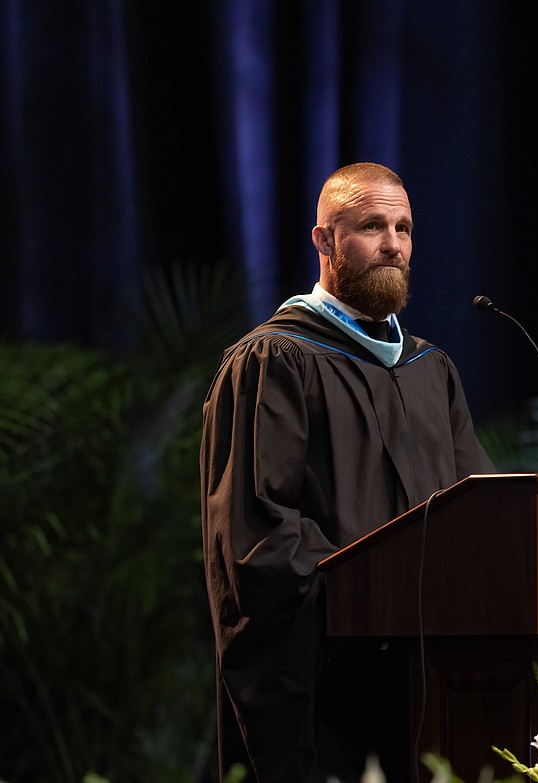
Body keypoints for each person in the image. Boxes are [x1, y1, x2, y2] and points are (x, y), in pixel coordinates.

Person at [200, 162, 494, 783]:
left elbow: (479, 512)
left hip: (429, 670)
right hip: (328, 675)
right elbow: (257, 530)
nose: (393, 244)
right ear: (325, 240)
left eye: (403, 228)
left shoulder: (430, 370)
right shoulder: (274, 359)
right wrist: (368, 592)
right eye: (371, 226)